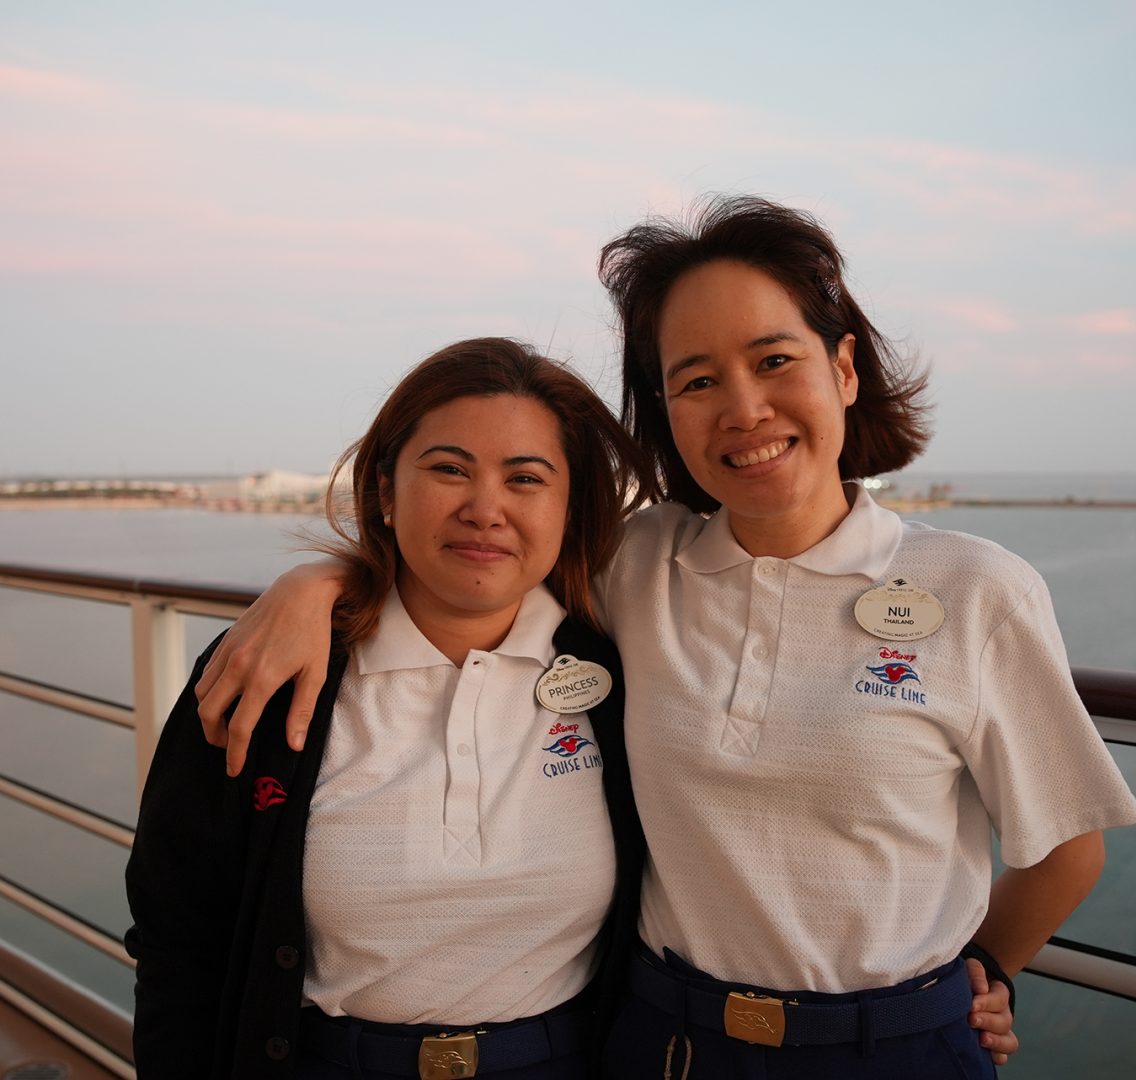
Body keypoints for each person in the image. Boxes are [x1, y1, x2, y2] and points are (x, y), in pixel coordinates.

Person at [196, 198, 1084, 1078]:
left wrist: (985, 970)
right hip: (667, 1042)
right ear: (662, 410)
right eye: (696, 380)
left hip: (892, 1049)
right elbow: (472, 558)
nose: (742, 409)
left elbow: (1067, 850)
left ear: (844, 369)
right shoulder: (636, 564)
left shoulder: (976, 590)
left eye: (774, 360)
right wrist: (314, 583)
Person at [125, 338, 657, 1078]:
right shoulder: (268, 674)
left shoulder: (620, 666)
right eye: (448, 470)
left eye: (525, 478)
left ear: (570, 507)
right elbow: (176, 932)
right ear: (384, 490)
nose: (484, 510)